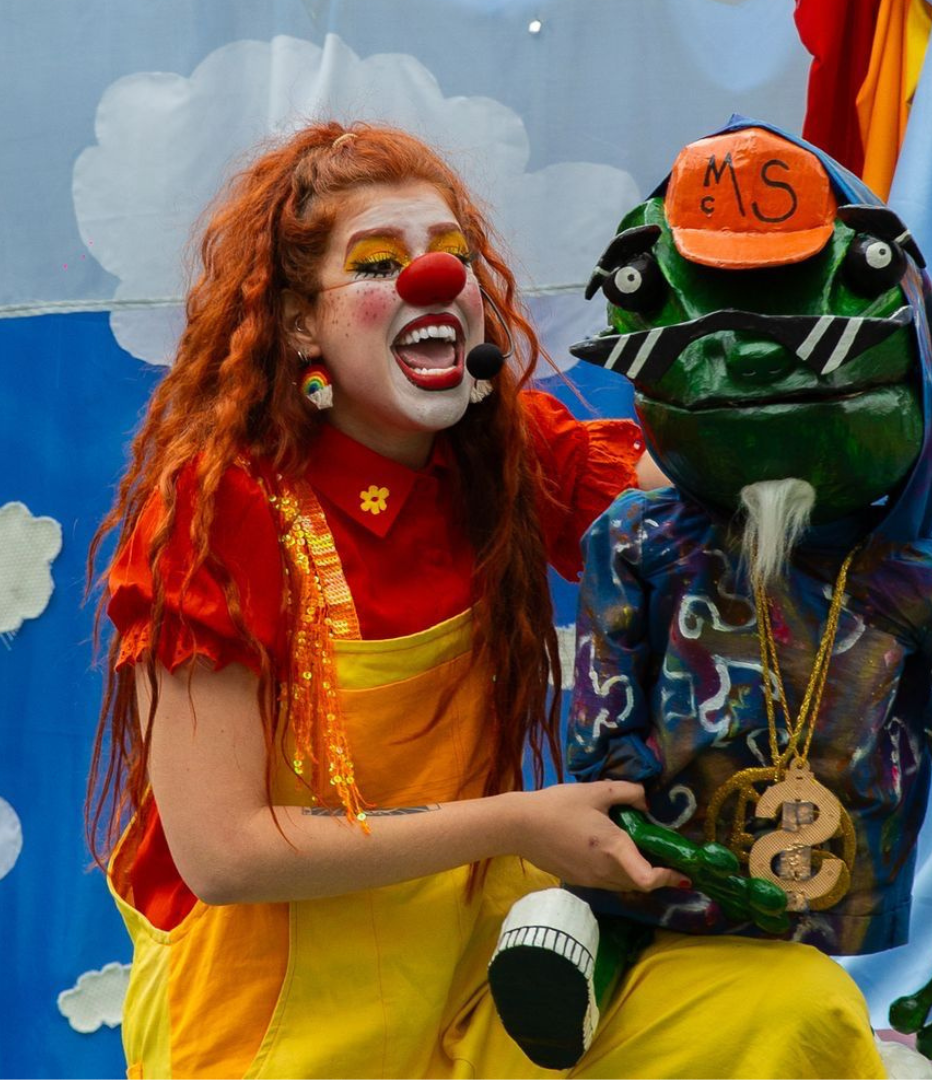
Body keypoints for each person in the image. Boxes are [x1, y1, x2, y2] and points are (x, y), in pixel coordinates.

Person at [87, 121, 887, 1079]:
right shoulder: (222, 509)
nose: (432, 279)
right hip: (278, 1027)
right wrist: (520, 824)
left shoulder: (504, 454)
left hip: (482, 988)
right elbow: (224, 855)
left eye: (452, 255)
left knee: (793, 1011)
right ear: (298, 324)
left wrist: (784, 337)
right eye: (377, 263)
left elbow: (705, 483)